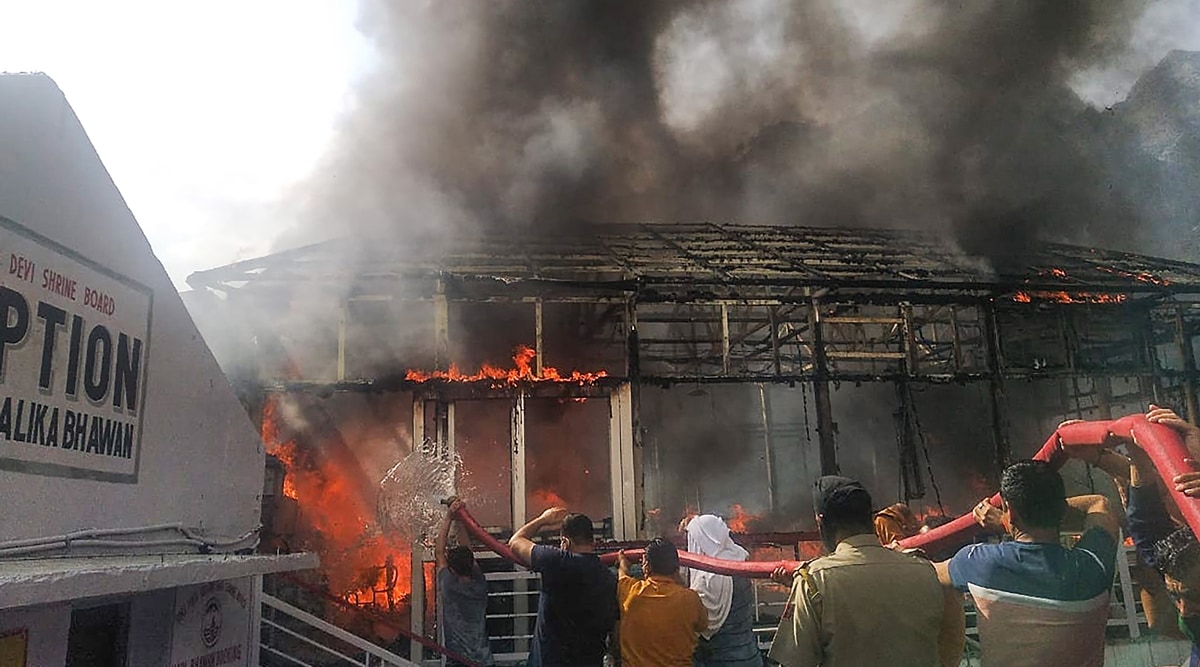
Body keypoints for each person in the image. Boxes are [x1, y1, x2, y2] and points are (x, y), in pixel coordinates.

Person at [933, 460, 1120, 667]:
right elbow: (1099, 504)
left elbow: (929, 573)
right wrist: (1012, 518)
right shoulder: (1093, 567)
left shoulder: (980, 562)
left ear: (1010, 510)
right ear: (1061, 508)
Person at [770, 476, 962, 667]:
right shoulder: (926, 570)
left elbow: (795, 661)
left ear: (821, 521)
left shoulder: (813, 580)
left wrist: (808, 594)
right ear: (871, 518)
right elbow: (951, 643)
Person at [1120, 405, 1200, 664]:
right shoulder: (1177, 560)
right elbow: (1145, 522)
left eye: (1196, 598)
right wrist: (1136, 453)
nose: (1185, 611)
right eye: (1177, 597)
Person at [508, 507, 618, 667]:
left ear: (565, 542)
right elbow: (614, 626)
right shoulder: (608, 577)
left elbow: (516, 541)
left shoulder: (557, 561)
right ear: (592, 542)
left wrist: (543, 519)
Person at [684, 515, 763, 667]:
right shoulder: (739, 560)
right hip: (750, 657)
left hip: (719, 661)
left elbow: (698, 627)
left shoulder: (707, 581)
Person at [617, 538, 708, 667]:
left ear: (647, 567)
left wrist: (622, 562)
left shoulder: (631, 592)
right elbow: (703, 625)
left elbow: (622, 574)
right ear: (676, 568)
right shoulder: (690, 599)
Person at [436, 498, 495, 667]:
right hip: (484, 661)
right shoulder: (480, 585)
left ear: (452, 570)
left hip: (458, 662)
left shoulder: (449, 586)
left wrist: (449, 517)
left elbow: (439, 551)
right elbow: (467, 551)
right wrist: (461, 519)